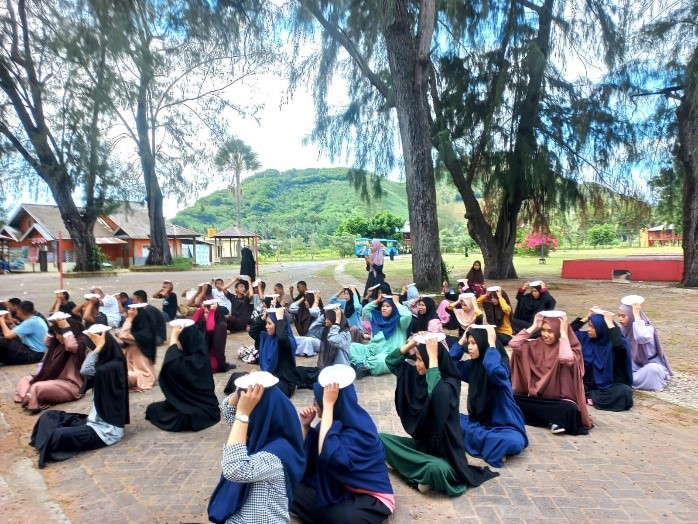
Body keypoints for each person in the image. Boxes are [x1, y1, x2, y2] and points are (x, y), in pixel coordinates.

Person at [379, 338, 498, 496]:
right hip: (422, 448)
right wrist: (412, 344)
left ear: (432, 362)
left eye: (421, 360)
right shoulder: (417, 375)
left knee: (436, 469)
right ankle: (414, 470)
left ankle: (408, 466)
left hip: (446, 457)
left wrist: (433, 360)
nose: (417, 364)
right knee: (379, 439)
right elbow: (391, 361)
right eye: (416, 359)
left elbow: (438, 397)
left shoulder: (450, 383)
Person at [292, 380, 394, 523]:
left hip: (372, 497)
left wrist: (328, 405)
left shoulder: (361, 431)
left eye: (318, 400)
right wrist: (306, 426)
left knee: (346, 519)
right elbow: (309, 457)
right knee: (292, 488)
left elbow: (328, 455)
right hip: (341, 487)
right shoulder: (331, 423)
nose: (315, 404)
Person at [207, 381, 306, 524]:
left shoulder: (277, 453)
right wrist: (242, 389)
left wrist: (243, 414)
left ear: (258, 414)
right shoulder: (262, 434)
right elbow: (228, 411)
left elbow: (233, 469)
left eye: (250, 414)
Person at [29, 329, 129, 468]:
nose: (89, 353)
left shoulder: (112, 368)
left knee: (59, 434)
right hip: (91, 421)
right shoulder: (103, 366)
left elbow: (85, 370)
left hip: (105, 431)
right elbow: (88, 373)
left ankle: (51, 443)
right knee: (49, 416)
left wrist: (98, 348)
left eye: (91, 350)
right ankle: (50, 445)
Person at [450, 326, 528, 468]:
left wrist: (492, 346)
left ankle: (483, 443)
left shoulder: (502, 368)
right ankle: (490, 447)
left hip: (504, 427)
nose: (469, 348)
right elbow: (450, 366)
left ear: (483, 343)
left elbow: (494, 371)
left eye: (474, 343)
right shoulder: (473, 366)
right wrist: (461, 342)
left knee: (513, 442)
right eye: (469, 343)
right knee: (449, 419)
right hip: (478, 424)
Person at [510, 312, 593, 435]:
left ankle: (550, 419)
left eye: (550, 331)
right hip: (539, 399)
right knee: (511, 401)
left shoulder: (570, 347)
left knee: (569, 409)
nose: (545, 335)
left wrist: (564, 334)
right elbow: (514, 344)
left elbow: (566, 359)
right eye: (543, 330)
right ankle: (552, 419)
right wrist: (534, 327)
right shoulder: (536, 344)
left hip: (559, 402)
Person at [145, 323, 220, 432]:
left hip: (196, 409)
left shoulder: (187, 362)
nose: (179, 344)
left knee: (161, 412)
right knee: (156, 409)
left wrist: (173, 339)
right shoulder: (201, 354)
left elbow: (171, 365)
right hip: (209, 408)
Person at [15, 316, 88, 412]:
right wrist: (53, 325)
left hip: (70, 386)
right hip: (52, 380)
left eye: (59, 334)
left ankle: (31, 397)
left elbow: (71, 346)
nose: (56, 337)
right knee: (25, 380)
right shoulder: (57, 344)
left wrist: (66, 327)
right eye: (55, 334)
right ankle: (30, 397)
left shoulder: (80, 345)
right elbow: (46, 341)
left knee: (36, 387)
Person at [572, 309, 633, 411]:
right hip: (587, 384)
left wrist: (610, 323)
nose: (589, 329)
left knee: (625, 392)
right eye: (589, 326)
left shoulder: (612, 344)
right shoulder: (586, 338)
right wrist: (587, 317)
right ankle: (589, 396)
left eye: (592, 327)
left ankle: (591, 397)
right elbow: (568, 332)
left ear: (601, 328)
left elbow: (619, 346)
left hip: (608, 385)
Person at [349, 293, 412, 378]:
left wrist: (396, 302)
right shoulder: (377, 318)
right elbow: (365, 310)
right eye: (383, 306)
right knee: (352, 346)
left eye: (387, 306)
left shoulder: (400, 323)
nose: (384, 308)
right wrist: (377, 301)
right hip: (372, 350)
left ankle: (362, 365)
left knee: (382, 361)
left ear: (394, 308)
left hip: (389, 355)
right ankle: (360, 364)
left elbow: (407, 315)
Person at [617, 300, 672, 392]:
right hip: (632, 367)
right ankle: (630, 379)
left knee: (653, 370)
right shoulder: (623, 329)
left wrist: (636, 314)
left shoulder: (647, 329)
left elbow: (641, 337)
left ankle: (631, 380)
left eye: (623, 316)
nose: (620, 319)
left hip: (649, 365)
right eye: (619, 316)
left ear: (631, 316)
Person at [252, 309, 299, 398]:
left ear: (277, 325)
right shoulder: (267, 338)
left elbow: (282, 338)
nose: (266, 326)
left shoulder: (287, 341)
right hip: (268, 378)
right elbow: (253, 332)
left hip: (283, 383)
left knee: (260, 390)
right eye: (266, 323)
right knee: (241, 379)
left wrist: (280, 319)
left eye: (269, 324)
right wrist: (262, 318)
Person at [118, 305, 157, 392]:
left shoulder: (145, 334)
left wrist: (130, 319)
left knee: (119, 376)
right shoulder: (137, 333)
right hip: (132, 371)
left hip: (142, 376)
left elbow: (123, 335)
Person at [0, 301, 49, 365]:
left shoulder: (30, 322)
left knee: (2, 341)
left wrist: (1, 320)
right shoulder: (36, 319)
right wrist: (10, 320)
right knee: (3, 337)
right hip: (36, 351)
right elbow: (15, 330)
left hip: (34, 354)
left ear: (19, 312)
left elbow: (8, 335)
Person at [193, 300, 234, 373]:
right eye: (204, 313)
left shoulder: (220, 325)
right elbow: (192, 322)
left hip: (212, 358)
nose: (205, 315)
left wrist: (211, 311)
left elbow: (210, 328)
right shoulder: (203, 321)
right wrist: (201, 310)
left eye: (207, 313)